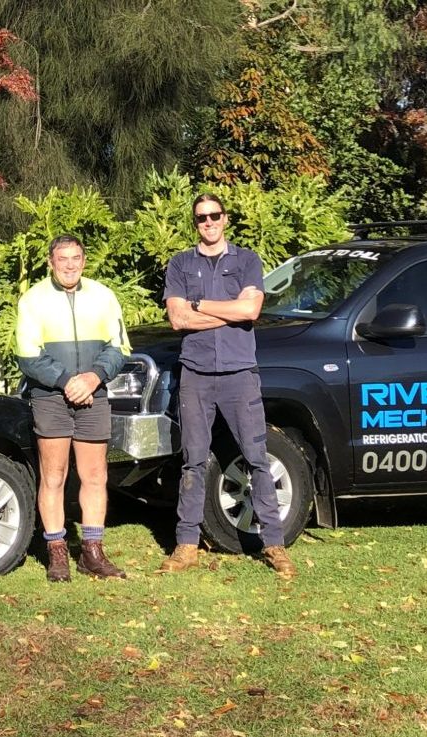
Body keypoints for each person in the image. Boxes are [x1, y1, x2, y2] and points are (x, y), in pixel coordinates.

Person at [157, 194, 297, 577]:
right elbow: (177, 320)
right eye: (201, 217)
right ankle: (186, 545)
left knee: (257, 458)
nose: (208, 222)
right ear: (195, 223)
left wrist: (199, 305)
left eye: (214, 215)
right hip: (196, 374)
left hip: (239, 374)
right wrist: (229, 311)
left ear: (225, 218)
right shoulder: (181, 263)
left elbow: (251, 310)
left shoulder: (247, 260)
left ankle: (274, 544)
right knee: (193, 460)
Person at [15, 234, 131, 582]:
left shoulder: (103, 296)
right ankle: (57, 552)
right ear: (50, 262)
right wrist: (68, 381)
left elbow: (119, 347)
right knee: (54, 475)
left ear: (84, 260)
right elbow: (28, 355)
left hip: (94, 393)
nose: (69, 265)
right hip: (51, 397)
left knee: (95, 475)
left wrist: (93, 378)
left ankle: (92, 553)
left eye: (75, 258)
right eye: (62, 258)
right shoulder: (32, 300)